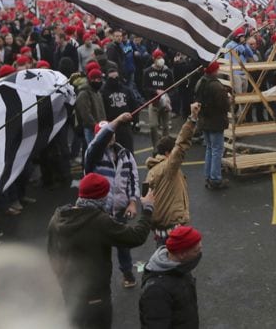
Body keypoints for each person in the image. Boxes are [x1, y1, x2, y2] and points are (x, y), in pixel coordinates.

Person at [47, 172, 155, 329]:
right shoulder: (99, 221)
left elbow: (52, 254)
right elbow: (136, 237)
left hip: (71, 293)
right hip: (95, 298)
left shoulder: (58, 218)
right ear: (101, 198)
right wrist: (148, 210)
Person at [84, 112, 142, 288]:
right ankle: (100, 281)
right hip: (99, 213)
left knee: (123, 245)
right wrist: (116, 121)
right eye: (105, 135)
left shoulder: (125, 155)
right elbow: (97, 143)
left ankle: (127, 273)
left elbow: (133, 179)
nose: (109, 137)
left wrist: (132, 202)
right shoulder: (92, 155)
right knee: (100, 249)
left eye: (111, 134)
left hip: (119, 211)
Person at [145, 103, 200, 244]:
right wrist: (192, 118)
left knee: (163, 260)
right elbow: (181, 145)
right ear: (167, 153)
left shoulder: (152, 170)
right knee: (178, 261)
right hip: (172, 229)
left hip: (159, 229)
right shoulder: (167, 168)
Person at [139, 226, 203, 328]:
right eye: (196, 251)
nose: (200, 253)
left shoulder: (180, 267)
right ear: (182, 254)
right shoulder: (156, 291)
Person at [194, 61, 231, 189]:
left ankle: (208, 176)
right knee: (216, 150)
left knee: (210, 148)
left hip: (204, 120)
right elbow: (224, 105)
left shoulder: (200, 82)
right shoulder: (216, 85)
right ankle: (215, 178)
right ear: (215, 70)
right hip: (215, 121)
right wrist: (229, 98)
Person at [100, 63, 140, 151]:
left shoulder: (126, 90)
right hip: (111, 126)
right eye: (111, 78)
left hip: (125, 126)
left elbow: (134, 105)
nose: (114, 80)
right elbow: (101, 109)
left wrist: (136, 120)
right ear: (107, 79)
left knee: (128, 151)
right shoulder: (103, 92)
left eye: (116, 78)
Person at [143, 49, 174, 151]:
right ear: (154, 59)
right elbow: (144, 88)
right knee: (153, 126)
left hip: (165, 103)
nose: (160, 60)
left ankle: (165, 148)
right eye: (158, 58)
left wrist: (168, 97)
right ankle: (156, 147)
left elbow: (173, 88)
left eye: (161, 58)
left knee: (166, 127)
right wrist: (156, 91)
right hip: (153, 103)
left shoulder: (168, 72)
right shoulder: (148, 72)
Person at [75, 66, 107, 147]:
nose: (99, 81)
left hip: (99, 127)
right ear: (90, 80)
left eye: (100, 79)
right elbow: (85, 113)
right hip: (91, 129)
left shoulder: (97, 92)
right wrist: (95, 126)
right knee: (93, 150)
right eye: (96, 79)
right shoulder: (84, 93)